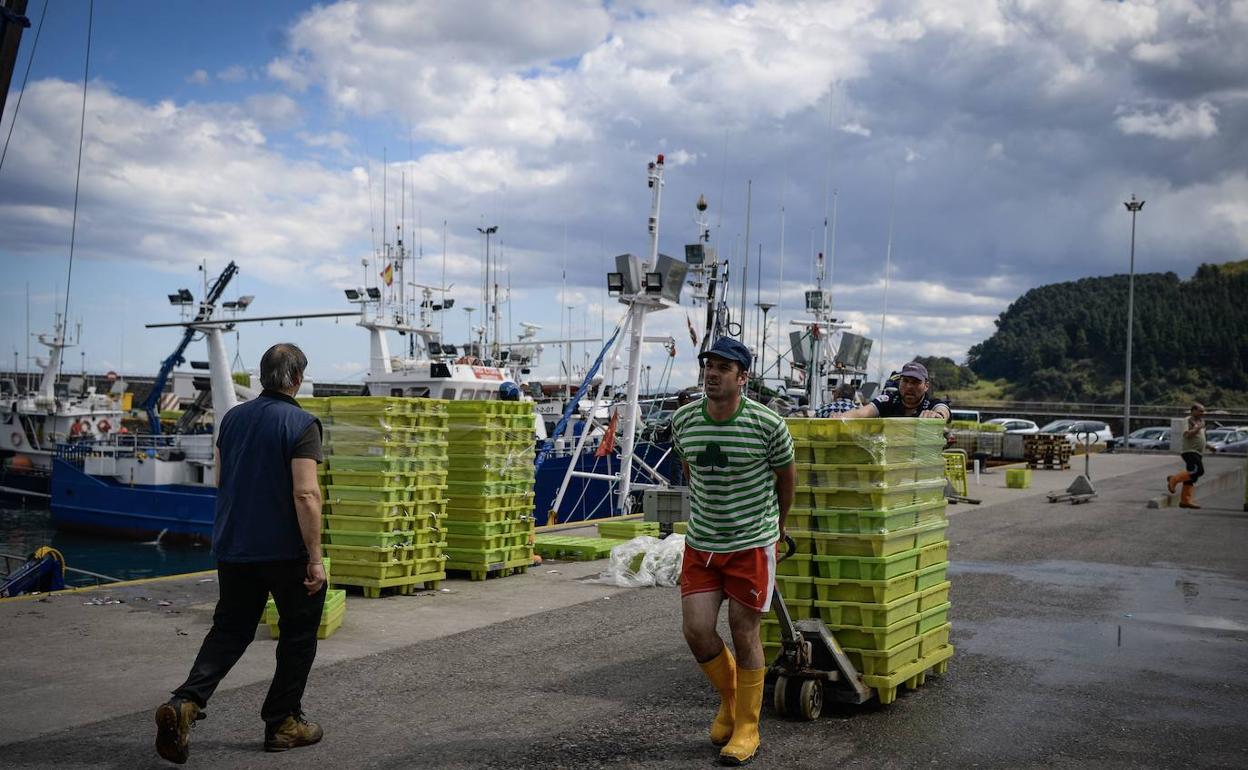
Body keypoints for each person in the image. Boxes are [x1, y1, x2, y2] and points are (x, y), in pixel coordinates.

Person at [155, 343, 327, 764]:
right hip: (285, 552)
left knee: (230, 630)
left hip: (234, 548)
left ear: (261, 377)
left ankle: (186, 702)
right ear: (298, 379)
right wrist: (315, 556)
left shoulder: (232, 419)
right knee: (298, 634)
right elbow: (305, 494)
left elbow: (221, 479)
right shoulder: (302, 424)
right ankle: (283, 722)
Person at [672, 336, 795, 766]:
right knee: (697, 630)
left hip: (751, 544)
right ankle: (730, 698)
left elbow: (786, 477)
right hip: (703, 543)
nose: (712, 373)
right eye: (709, 365)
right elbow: (690, 470)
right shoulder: (685, 421)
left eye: (723, 368)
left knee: (745, 633)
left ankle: (747, 725)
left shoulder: (768, 424)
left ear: (742, 377)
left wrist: (775, 530)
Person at [837, 361, 951, 420]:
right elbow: (861, 413)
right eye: (905, 381)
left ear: (926, 386)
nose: (910, 386)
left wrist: (937, 416)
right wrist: (841, 417)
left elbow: (943, 411)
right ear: (899, 382)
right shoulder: (888, 400)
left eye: (916, 382)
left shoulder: (932, 404)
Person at [1167, 403, 1205, 509]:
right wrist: (1197, 428)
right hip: (1189, 451)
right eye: (1200, 411)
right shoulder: (1187, 421)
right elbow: (1187, 435)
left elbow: (1200, 436)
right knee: (1199, 471)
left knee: (1191, 478)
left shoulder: (1201, 422)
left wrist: (1209, 446)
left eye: (1203, 411)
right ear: (1193, 410)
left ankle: (1185, 501)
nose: (1202, 413)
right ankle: (1174, 479)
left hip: (1198, 452)